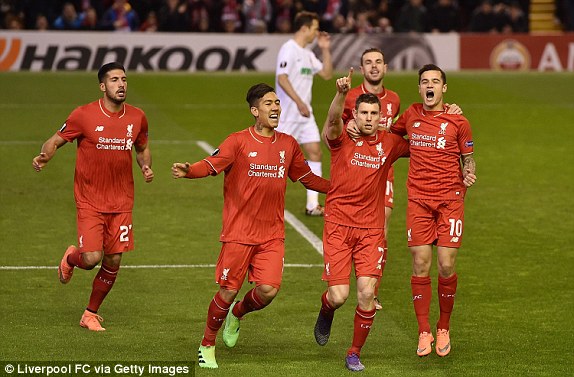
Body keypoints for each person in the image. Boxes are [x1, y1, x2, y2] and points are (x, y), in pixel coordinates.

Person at [171, 83, 330, 369]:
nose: (275, 108)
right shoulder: (238, 142)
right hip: (239, 233)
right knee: (227, 291)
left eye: (277, 103)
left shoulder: (288, 144)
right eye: (269, 103)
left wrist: (340, 188)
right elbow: (210, 165)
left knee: (268, 290)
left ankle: (238, 313)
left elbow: (307, 177)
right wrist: (189, 171)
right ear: (255, 111)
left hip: (272, 235)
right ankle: (207, 344)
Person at [32, 62, 154, 332]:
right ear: (102, 86)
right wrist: (45, 156)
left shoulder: (137, 117)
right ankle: (71, 258)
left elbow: (142, 147)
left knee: (113, 260)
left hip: (122, 201)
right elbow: (54, 141)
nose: (121, 84)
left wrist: (145, 165)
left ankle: (90, 313)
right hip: (90, 199)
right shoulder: (83, 115)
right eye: (113, 80)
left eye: (123, 79)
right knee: (91, 258)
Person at [343, 48, 463, 311]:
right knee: (353, 226)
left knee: (381, 228)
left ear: (385, 67)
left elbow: (395, 135)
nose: (373, 67)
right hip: (356, 171)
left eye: (378, 62)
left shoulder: (395, 100)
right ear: (361, 68)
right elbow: (337, 130)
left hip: (385, 171)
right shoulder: (351, 97)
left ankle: (372, 291)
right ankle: (348, 274)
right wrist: (347, 126)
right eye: (368, 63)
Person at [313, 70, 409, 372]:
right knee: (339, 296)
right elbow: (331, 122)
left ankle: (354, 352)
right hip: (339, 227)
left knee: (367, 292)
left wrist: (448, 116)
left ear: (381, 116)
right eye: (363, 113)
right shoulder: (342, 138)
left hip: (370, 231)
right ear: (354, 114)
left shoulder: (390, 143)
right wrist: (341, 94)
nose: (368, 118)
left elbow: (422, 142)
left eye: (373, 113)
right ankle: (326, 309)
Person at [390, 64, 476, 357]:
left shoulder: (458, 121)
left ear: (444, 88)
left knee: (446, 265)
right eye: (425, 81)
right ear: (419, 88)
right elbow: (388, 132)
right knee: (420, 264)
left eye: (435, 81)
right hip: (419, 200)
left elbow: (469, 157)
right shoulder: (411, 115)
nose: (430, 86)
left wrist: (469, 173)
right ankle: (424, 330)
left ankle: (444, 326)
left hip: (450, 200)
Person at [275, 10, 333, 216]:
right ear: (304, 28)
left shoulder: (308, 55)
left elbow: (326, 74)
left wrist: (325, 49)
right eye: (315, 29)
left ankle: (312, 205)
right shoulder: (288, 49)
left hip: (305, 116)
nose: (316, 33)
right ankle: (266, 200)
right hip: (288, 116)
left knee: (315, 152)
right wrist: (299, 102)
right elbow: (282, 78)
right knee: (278, 160)